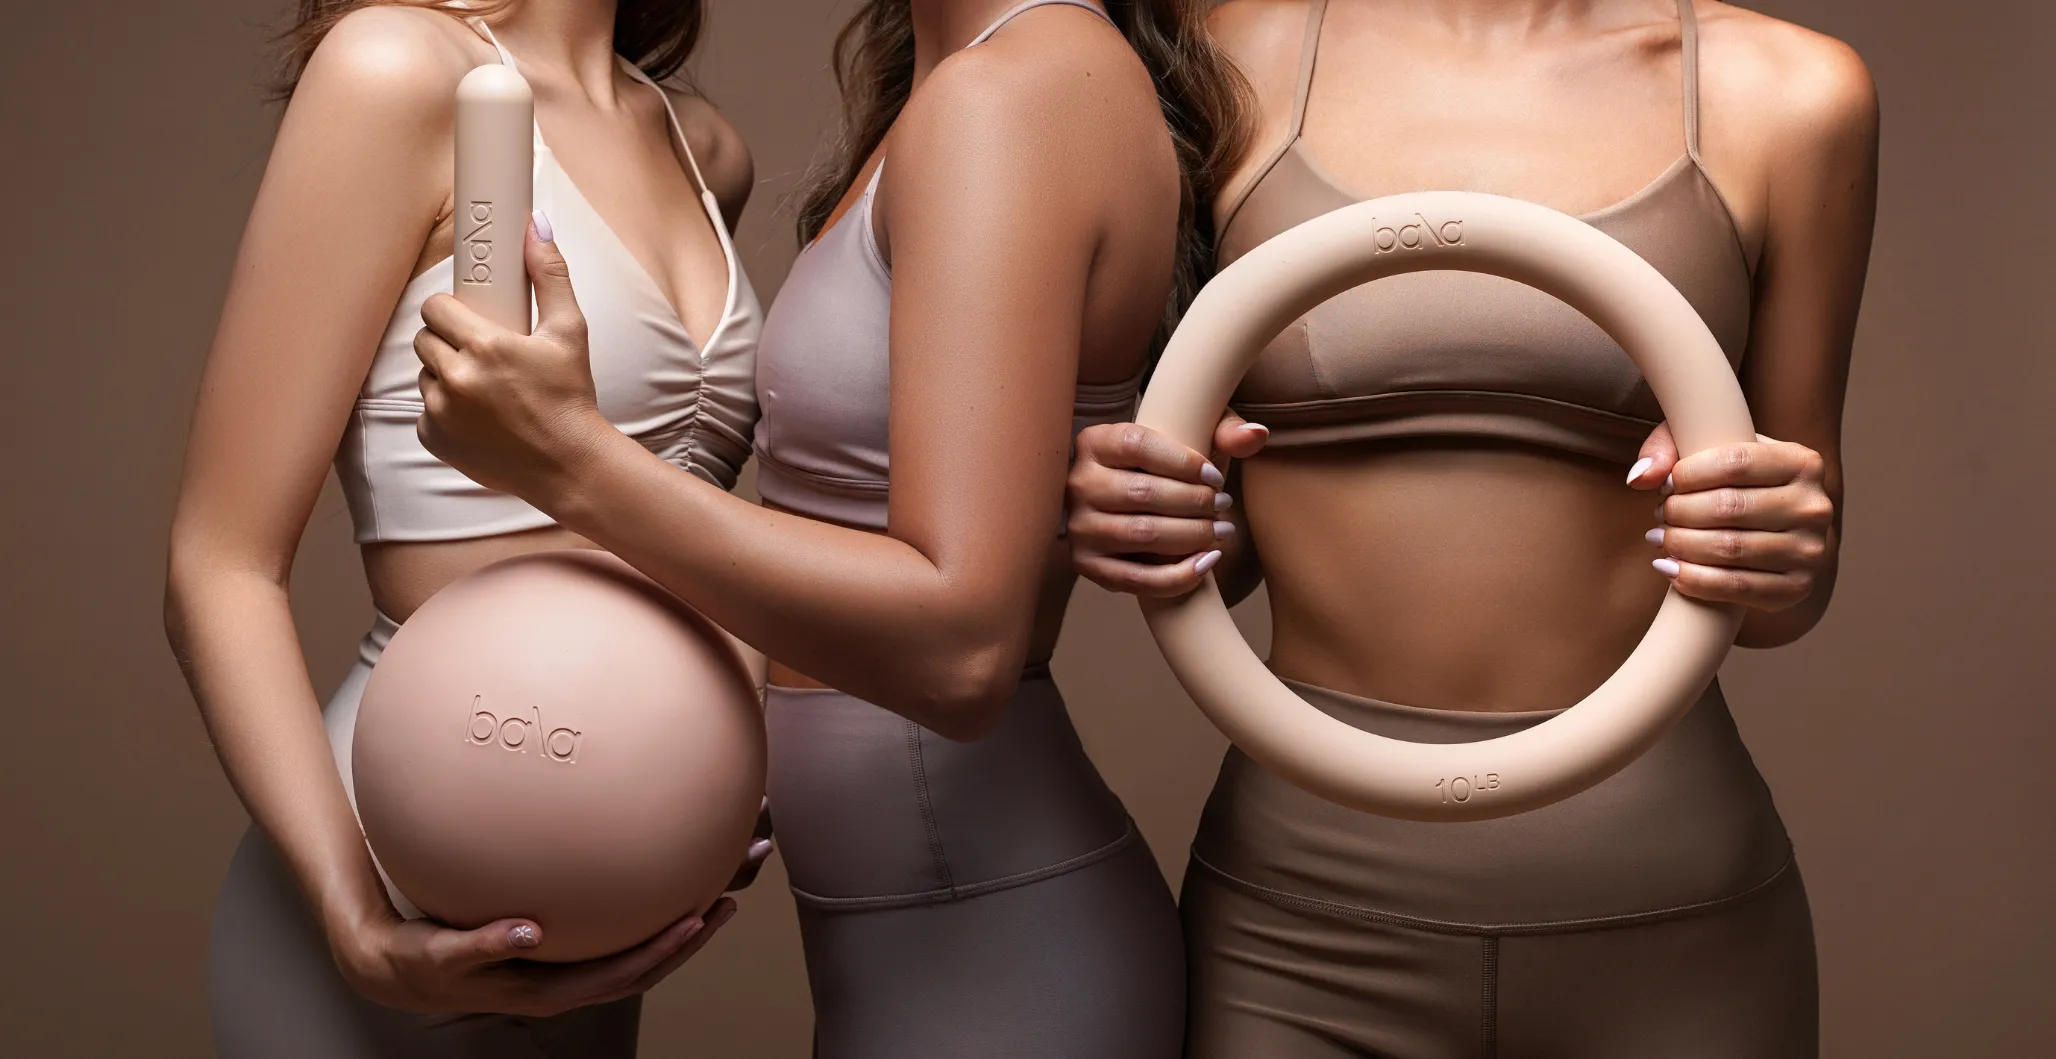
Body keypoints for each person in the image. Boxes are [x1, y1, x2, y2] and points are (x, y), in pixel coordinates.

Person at [408, 1, 1247, 1054]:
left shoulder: (1014, 91)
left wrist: (570, 460)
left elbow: (962, 648)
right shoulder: (961, 84)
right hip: (919, 932)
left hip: (986, 944)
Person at [1063, 0, 1876, 1055]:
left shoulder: (1790, 93)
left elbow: (1784, 596)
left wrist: (1777, 539)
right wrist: (1149, 505)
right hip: (1299, 926)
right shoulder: (1217, 57)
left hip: (1667, 915)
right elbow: (1214, 543)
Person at [163, 2, 770, 1055]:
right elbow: (219, 566)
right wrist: (351, 918)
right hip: (387, 870)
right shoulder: (397, 68)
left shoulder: (703, 144)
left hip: (603, 903)